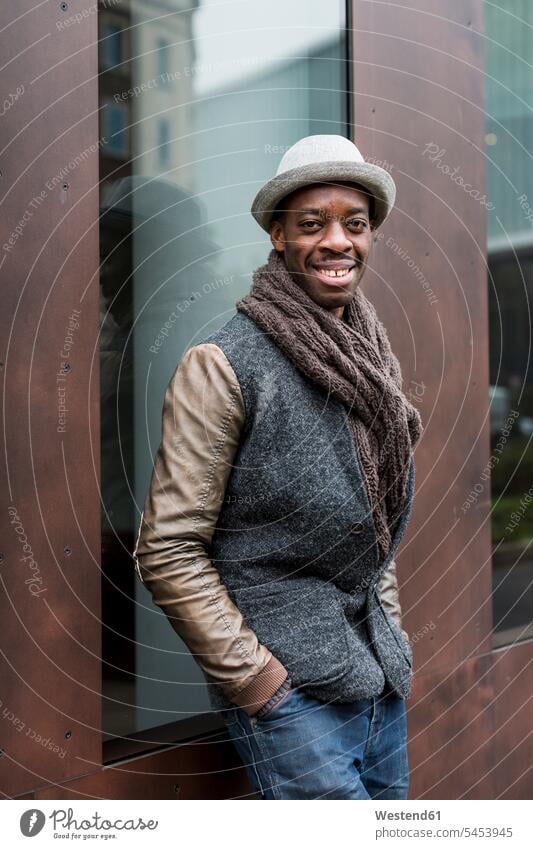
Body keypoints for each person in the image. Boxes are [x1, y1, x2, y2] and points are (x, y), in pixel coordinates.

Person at [133, 134, 424, 799]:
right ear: (278, 235)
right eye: (311, 224)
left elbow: (374, 531)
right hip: (292, 697)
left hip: (376, 676)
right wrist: (260, 684)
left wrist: (391, 637)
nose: (336, 241)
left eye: (353, 224)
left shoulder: (371, 361)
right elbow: (169, 548)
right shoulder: (223, 365)